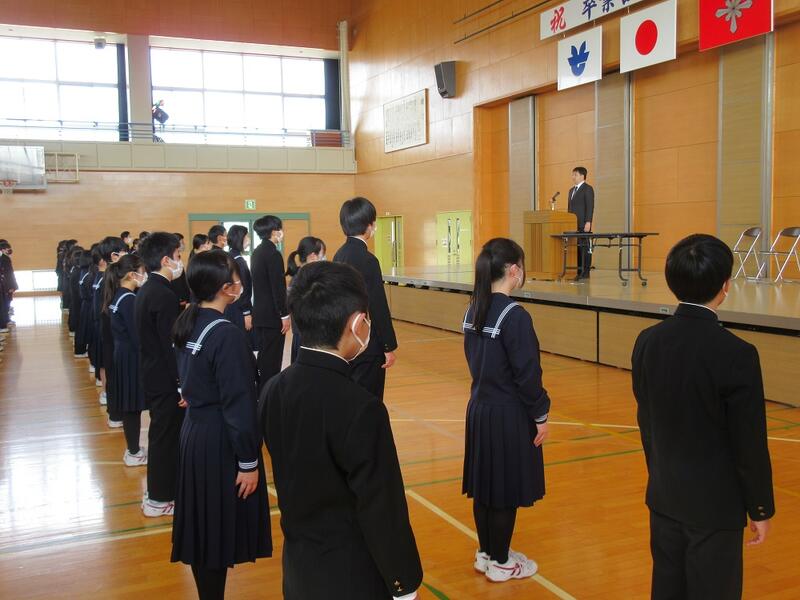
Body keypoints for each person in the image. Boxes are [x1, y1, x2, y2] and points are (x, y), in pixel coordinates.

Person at [259, 260, 422, 600]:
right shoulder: (361, 408)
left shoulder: (273, 390)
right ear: (358, 323)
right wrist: (403, 582)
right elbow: (382, 507)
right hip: (352, 574)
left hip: (299, 569)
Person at [632, 234, 775, 600]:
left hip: (664, 495)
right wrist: (759, 507)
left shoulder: (647, 341)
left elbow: (646, 420)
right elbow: (749, 441)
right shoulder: (737, 353)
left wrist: (660, 473)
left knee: (668, 588)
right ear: (725, 286)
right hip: (715, 506)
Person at [172, 249, 272, 599]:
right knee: (213, 529)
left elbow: (187, 377)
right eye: (235, 277)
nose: (240, 283)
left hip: (195, 431)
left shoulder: (190, 321)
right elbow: (239, 403)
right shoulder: (226, 334)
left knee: (203, 528)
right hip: (218, 439)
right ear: (225, 288)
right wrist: (248, 462)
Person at [462, 237, 550, 583]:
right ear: (514, 270)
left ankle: (487, 553)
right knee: (504, 490)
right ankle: (501, 562)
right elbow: (528, 376)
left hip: (480, 409)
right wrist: (540, 415)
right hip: (507, 414)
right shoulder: (515, 316)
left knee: (486, 487)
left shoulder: (473, 308)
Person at [134, 232, 184, 517]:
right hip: (164, 378)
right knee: (165, 437)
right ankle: (160, 497)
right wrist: (181, 383)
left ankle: (160, 491)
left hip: (152, 373)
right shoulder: (163, 294)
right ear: (166, 260)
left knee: (162, 434)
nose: (180, 261)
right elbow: (170, 345)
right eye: (177, 256)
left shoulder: (147, 290)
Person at [333, 197, 397, 401]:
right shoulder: (368, 260)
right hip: (367, 343)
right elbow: (377, 305)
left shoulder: (339, 255)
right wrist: (388, 346)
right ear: (368, 225)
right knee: (369, 400)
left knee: (349, 397)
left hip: (345, 341)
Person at [103, 254, 148, 467]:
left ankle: (133, 449)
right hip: (130, 357)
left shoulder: (119, 295)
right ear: (132, 275)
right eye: (142, 272)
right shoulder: (129, 299)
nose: (144, 276)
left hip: (122, 355)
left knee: (131, 405)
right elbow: (138, 336)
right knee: (132, 406)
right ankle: (133, 452)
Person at [251, 215, 289, 390]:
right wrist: (284, 315)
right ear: (274, 232)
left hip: (260, 314)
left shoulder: (257, 252)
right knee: (272, 361)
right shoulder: (273, 254)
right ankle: (268, 394)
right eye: (280, 229)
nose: (282, 232)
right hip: (272, 316)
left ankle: (261, 391)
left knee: (264, 357)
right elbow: (278, 288)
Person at [97, 236, 129, 424]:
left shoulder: (110, 276)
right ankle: (116, 414)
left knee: (115, 371)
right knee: (115, 372)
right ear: (114, 255)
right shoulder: (111, 279)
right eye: (124, 251)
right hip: (112, 332)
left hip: (111, 331)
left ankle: (117, 412)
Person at [285, 236, 326, 363]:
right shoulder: (304, 279)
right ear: (313, 256)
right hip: (307, 337)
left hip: (306, 335)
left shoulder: (304, 276)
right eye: (322, 255)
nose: (324, 259)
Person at [224, 225, 254, 344]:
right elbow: (244, 290)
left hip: (228, 306)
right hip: (239, 309)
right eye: (247, 236)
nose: (249, 239)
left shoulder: (227, 257)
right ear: (240, 238)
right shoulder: (239, 262)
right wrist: (246, 313)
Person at [567, 166, 594, 281]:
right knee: (576, 248)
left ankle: (585, 272)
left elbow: (590, 206)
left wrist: (588, 222)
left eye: (575, 175)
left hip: (583, 223)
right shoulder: (571, 190)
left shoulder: (588, 189)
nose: (573, 177)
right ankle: (578, 271)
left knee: (584, 248)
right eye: (572, 174)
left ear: (582, 176)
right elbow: (569, 208)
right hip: (573, 224)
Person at [171, 233, 191, 307]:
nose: (183, 245)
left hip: (183, 295)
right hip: (178, 297)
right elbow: (176, 281)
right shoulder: (172, 260)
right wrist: (181, 298)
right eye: (181, 243)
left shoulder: (179, 257)